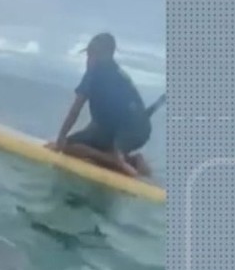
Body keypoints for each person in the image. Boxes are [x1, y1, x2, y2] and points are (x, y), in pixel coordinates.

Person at [46, 32, 154, 178]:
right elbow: (105, 119)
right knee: (84, 144)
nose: (88, 60)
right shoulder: (119, 73)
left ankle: (117, 160)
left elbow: (75, 110)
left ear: (102, 55)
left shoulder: (94, 73)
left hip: (125, 130)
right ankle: (129, 160)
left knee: (70, 147)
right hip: (140, 129)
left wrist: (61, 140)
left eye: (90, 54)